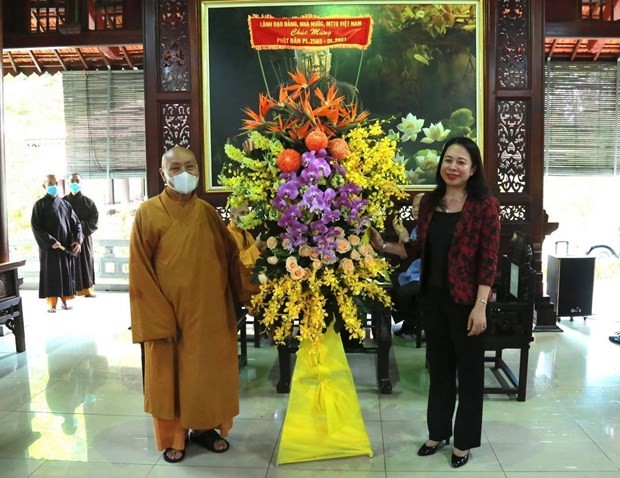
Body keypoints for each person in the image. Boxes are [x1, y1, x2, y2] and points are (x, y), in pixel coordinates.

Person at [370, 137, 500, 468]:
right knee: (439, 370)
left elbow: (488, 260)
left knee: (469, 374)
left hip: (468, 303)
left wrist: (481, 305)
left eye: (461, 162)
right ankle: (438, 431)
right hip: (434, 300)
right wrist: (381, 246)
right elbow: (416, 251)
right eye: (448, 160)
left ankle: (464, 441)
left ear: (472, 170)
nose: (452, 167)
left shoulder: (484, 206)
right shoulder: (430, 203)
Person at [129, 146, 256, 464]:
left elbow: (231, 259)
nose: (184, 173)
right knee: (169, 378)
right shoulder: (147, 213)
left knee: (206, 373)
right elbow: (140, 273)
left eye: (191, 166)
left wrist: (250, 292)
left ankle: (205, 429)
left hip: (210, 312)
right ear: (162, 174)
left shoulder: (209, 213)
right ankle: (175, 437)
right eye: (175, 168)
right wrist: (158, 320)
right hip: (168, 315)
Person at [31, 174, 83, 313]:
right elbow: (36, 227)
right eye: (50, 184)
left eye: (55, 183)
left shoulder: (65, 205)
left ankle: (66, 302)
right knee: (51, 275)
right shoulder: (39, 205)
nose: (53, 186)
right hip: (49, 248)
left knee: (66, 274)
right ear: (44, 186)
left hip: (64, 246)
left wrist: (77, 240)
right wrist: (49, 241)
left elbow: (76, 224)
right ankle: (52, 304)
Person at [391, 194, 423, 341]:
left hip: (427, 275)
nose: (415, 209)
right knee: (390, 283)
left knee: (404, 292)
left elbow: (420, 253)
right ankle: (406, 323)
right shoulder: (418, 227)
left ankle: (412, 325)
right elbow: (406, 255)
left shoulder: (433, 227)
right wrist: (401, 236)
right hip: (414, 272)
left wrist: (406, 239)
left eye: (420, 206)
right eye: (414, 206)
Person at [64, 173, 99, 298]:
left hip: (84, 238)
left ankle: (87, 290)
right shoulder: (63, 202)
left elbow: (94, 221)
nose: (74, 183)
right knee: (68, 264)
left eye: (77, 180)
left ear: (81, 183)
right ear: (68, 183)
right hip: (67, 239)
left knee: (86, 263)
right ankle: (69, 292)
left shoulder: (89, 202)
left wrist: (79, 228)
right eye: (72, 181)